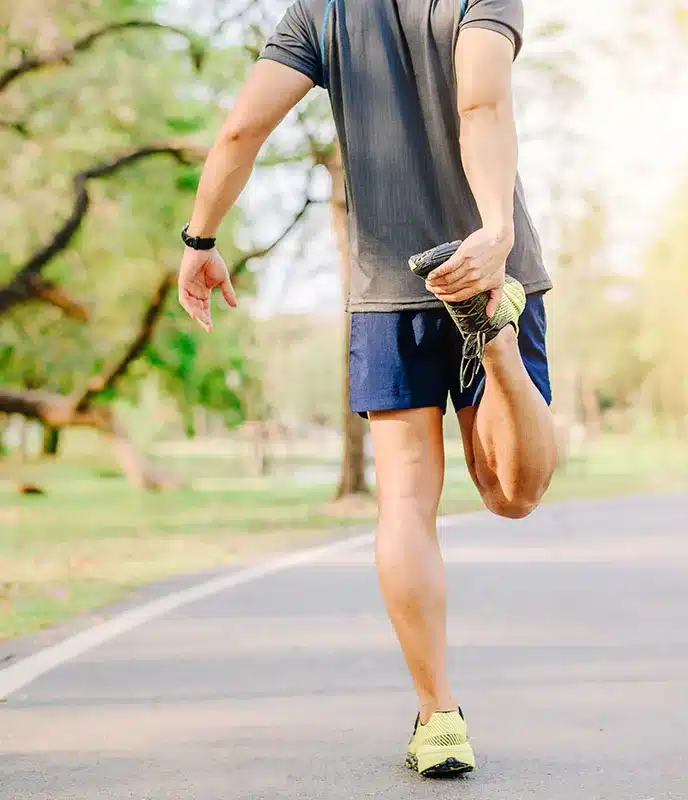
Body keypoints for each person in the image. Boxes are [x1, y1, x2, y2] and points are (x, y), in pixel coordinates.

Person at [175, 0, 557, 778]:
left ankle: (438, 716)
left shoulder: (319, 11)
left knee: (406, 504)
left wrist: (201, 237)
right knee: (511, 495)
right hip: (491, 269)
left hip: (390, 285)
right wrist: (493, 236)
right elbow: (481, 101)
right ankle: (499, 341)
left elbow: (241, 131)